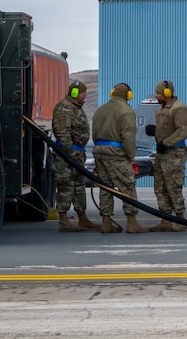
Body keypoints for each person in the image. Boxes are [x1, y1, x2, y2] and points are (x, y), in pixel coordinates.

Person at [89, 81, 142, 234]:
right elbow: (128, 136)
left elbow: (94, 133)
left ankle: (106, 223)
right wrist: (130, 154)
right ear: (128, 96)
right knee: (127, 186)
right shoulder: (126, 111)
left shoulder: (100, 110)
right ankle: (132, 223)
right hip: (116, 154)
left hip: (99, 153)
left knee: (105, 187)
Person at [146, 79, 187, 232]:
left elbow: (183, 130)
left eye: (158, 93)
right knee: (159, 186)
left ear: (167, 93)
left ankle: (180, 218)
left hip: (174, 153)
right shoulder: (161, 109)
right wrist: (154, 131)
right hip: (162, 153)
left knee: (173, 186)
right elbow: (166, 128)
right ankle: (165, 219)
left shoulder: (179, 108)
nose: (156, 96)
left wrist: (167, 143)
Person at [51, 79, 95, 231]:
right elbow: (63, 133)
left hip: (77, 155)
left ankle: (82, 218)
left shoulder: (76, 108)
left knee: (78, 186)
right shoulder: (65, 108)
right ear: (75, 93)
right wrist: (70, 152)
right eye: (83, 93)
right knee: (65, 186)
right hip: (67, 157)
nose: (85, 96)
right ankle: (63, 220)